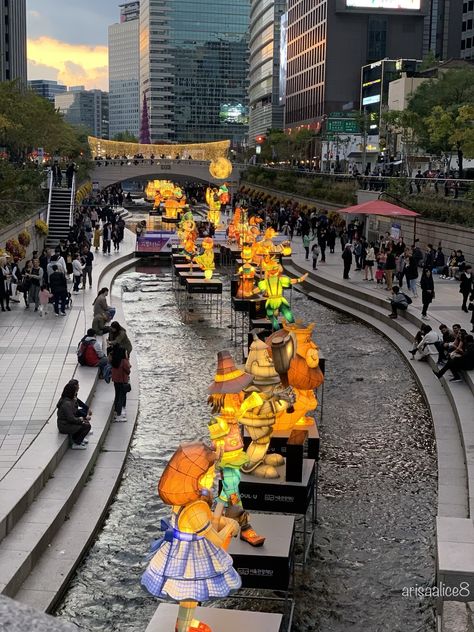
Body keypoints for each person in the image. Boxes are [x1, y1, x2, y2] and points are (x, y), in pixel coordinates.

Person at [56, 382, 91, 449]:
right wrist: (81, 419)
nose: (76, 394)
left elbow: (75, 411)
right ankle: (77, 443)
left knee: (85, 422)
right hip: (64, 426)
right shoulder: (67, 403)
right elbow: (71, 418)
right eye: (75, 392)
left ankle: (79, 439)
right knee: (87, 426)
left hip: (66, 423)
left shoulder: (68, 400)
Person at [111, 346, 131, 422]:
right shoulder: (124, 361)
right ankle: (119, 415)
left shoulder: (115, 360)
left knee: (117, 396)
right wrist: (127, 359)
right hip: (123, 381)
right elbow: (128, 370)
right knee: (121, 397)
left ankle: (117, 412)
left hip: (116, 381)